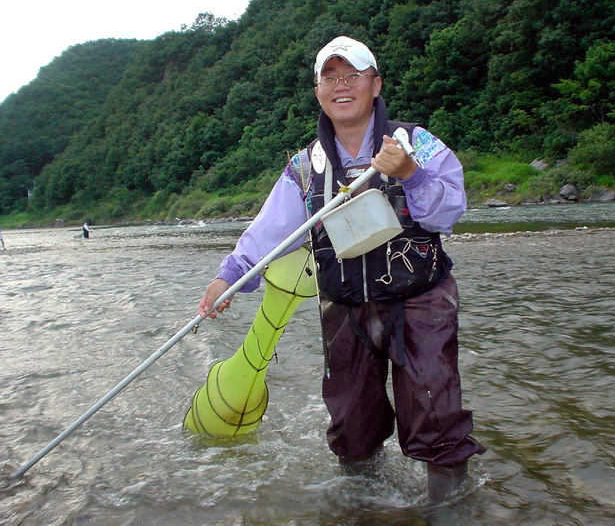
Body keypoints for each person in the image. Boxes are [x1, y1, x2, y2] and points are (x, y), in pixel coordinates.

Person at [198, 36, 484, 503]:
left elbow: (447, 213)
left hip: (421, 300)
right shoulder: (304, 168)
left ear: (375, 84)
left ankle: (449, 507)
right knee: (351, 423)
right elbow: (269, 233)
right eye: (330, 78)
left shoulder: (420, 144)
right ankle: (362, 505)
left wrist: (410, 173)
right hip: (345, 307)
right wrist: (229, 278)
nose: (341, 86)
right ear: (318, 92)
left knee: (435, 412)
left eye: (352, 75)